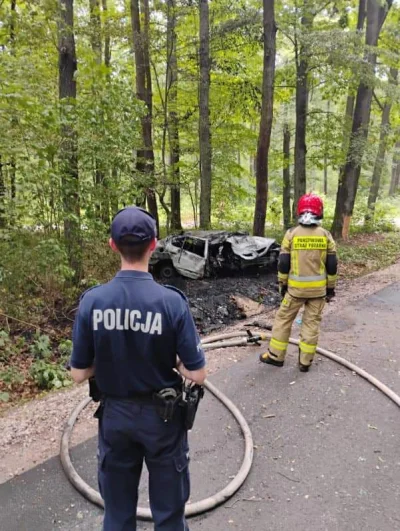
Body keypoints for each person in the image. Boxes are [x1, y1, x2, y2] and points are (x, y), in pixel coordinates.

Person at [69, 206, 206, 531]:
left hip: (115, 418)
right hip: (163, 419)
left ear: (113, 245)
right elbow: (197, 373)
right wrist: (171, 359)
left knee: (116, 516)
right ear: (154, 245)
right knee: (170, 516)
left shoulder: (93, 301)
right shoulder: (172, 302)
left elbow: (78, 373)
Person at [259, 194, 337, 372]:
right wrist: (330, 288)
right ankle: (305, 362)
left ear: (299, 211)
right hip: (318, 292)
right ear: (320, 212)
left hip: (295, 291)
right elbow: (332, 266)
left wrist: (283, 285)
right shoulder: (326, 235)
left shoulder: (291, 234)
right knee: (311, 324)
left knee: (283, 320)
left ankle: (276, 356)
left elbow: (283, 263)